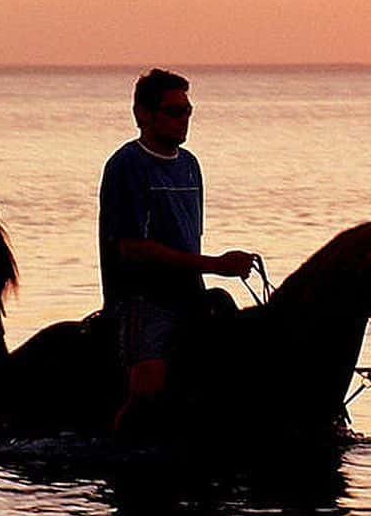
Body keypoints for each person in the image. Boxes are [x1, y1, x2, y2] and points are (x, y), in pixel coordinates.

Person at [98, 68, 256, 435]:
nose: (183, 120)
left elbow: (188, 237)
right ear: (143, 114)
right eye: (173, 112)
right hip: (142, 301)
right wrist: (215, 264)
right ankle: (122, 447)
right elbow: (133, 248)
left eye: (187, 112)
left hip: (190, 297)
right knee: (149, 386)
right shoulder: (127, 165)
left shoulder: (189, 166)